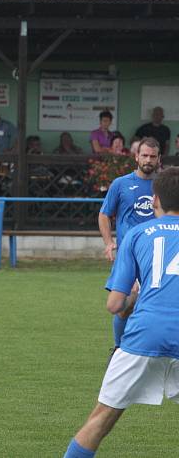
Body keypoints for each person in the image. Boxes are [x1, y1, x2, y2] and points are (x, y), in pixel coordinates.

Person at [62, 166, 179, 458]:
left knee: (102, 418)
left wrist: (132, 301)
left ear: (154, 200)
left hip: (145, 333)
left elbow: (115, 305)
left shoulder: (138, 234)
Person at [98, 138, 160, 355]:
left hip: (157, 256)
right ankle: (118, 349)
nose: (148, 160)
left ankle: (151, 352)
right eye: (144, 155)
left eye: (152, 156)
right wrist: (108, 243)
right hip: (129, 256)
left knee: (157, 306)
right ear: (136, 157)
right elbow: (105, 215)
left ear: (158, 159)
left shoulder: (164, 186)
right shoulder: (121, 184)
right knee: (125, 304)